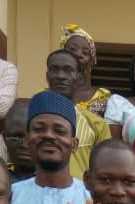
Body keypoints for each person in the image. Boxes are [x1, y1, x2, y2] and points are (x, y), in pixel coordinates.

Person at [3, 91, 89, 204]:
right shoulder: (8, 197)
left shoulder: (90, 199)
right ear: (27, 140)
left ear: (74, 144)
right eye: (39, 129)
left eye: (59, 131)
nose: (48, 135)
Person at [45, 49, 112, 179]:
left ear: (79, 78)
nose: (60, 76)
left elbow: (106, 168)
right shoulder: (32, 119)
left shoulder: (97, 124)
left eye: (68, 70)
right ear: (47, 75)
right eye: (54, 69)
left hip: (82, 197)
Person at [59, 23, 111, 117]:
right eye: (73, 49)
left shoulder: (102, 98)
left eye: (85, 52)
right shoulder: (46, 95)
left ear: (91, 62)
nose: (79, 54)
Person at [3, 98, 35, 182]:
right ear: (4, 138)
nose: (24, 145)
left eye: (31, 138)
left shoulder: (58, 185)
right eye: (16, 137)